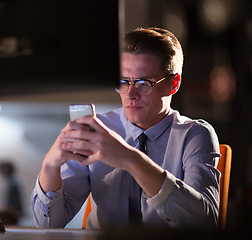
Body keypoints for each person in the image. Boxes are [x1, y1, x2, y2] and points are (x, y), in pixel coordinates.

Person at [30, 27, 220, 230]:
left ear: (174, 84)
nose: (130, 94)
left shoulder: (194, 135)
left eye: (143, 83)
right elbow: (48, 223)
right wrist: (49, 166)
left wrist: (131, 159)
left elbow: (205, 224)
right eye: (123, 81)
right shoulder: (98, 130)